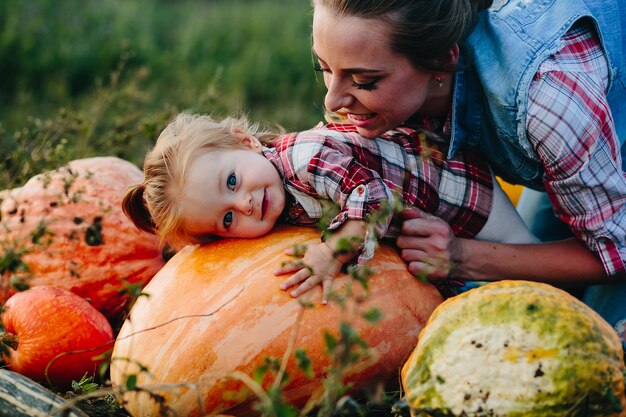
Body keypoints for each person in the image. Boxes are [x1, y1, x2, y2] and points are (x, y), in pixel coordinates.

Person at [309, 0, 626, 341]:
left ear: (443, 61)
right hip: (578, 150)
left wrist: (461, 257)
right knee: (528, 299)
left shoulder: (547, 100)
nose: (331, 101)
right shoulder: (397, 78)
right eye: (324, 68)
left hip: (587, 127)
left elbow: (618, 252)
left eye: (365, 81)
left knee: (594, 339)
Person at [122, 112, 537, 303]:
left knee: (525, 262)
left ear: (244, 142)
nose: (244, 203)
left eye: (231, 181)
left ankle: (573, 292)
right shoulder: (272, 192)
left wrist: (331, 251)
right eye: (227, 218)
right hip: (430, 227)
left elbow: (372, 198)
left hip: (460, 194)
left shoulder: (307, 158)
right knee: (484, 294)